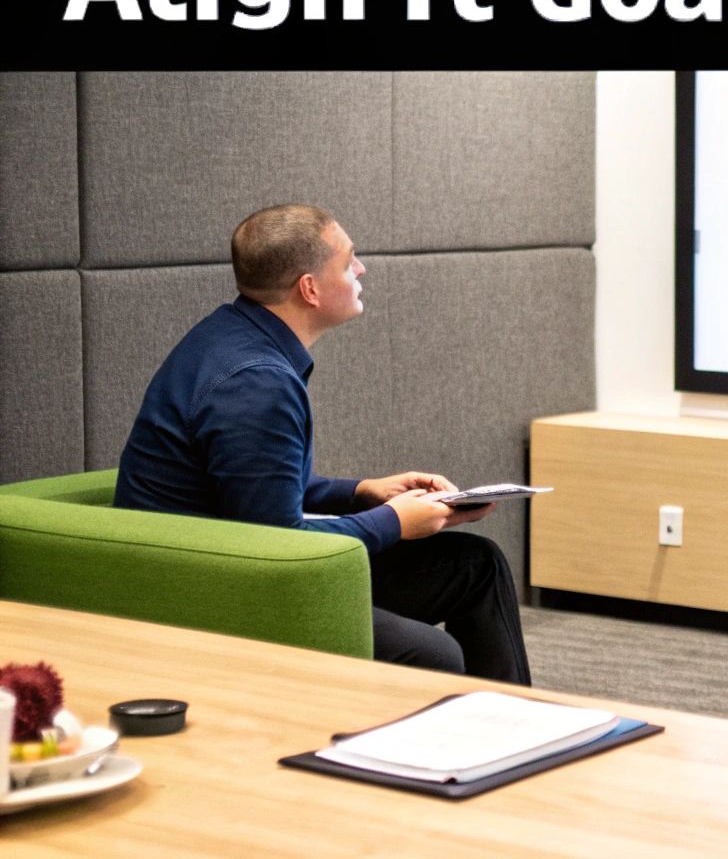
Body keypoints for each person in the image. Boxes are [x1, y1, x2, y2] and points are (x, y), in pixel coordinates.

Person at [115, 204, 531, 684]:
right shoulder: (257, 382)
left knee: (474, 566)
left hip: (223, 561)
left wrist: (361, 493)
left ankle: (519, 730)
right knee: (431, 653)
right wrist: (393, 523)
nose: (361, 269)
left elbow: (253, 492)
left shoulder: (231, 333)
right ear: (309, 288)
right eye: (348, 260)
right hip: (209, 590)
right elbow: (278, 547)